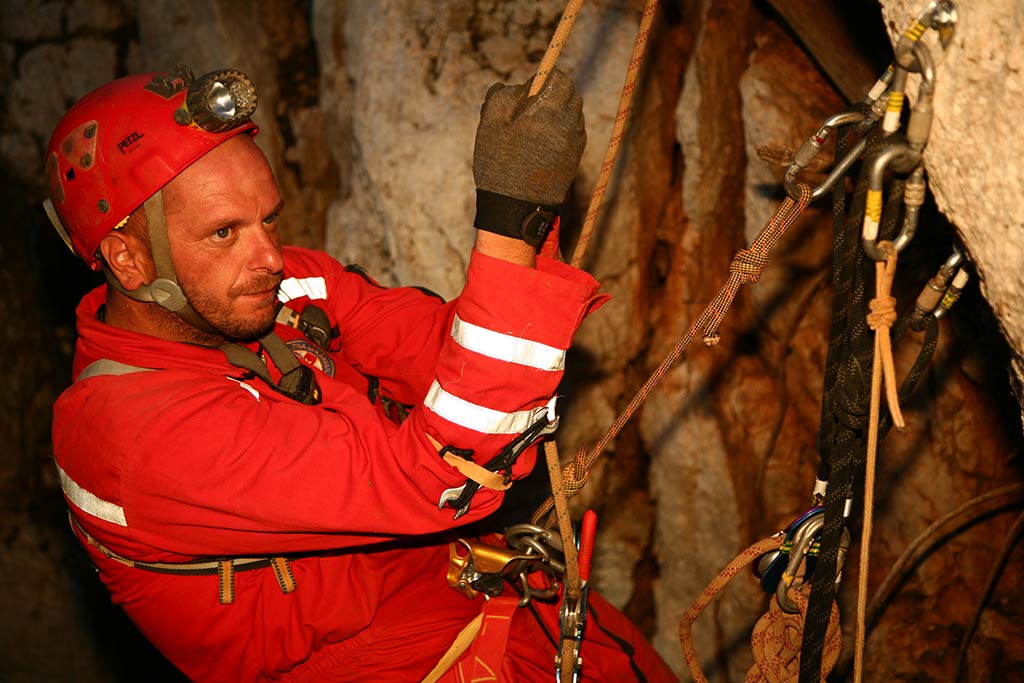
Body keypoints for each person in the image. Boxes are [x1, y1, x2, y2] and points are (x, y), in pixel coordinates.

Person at [47, 64, 677, 682]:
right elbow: (441, 475)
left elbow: (446, 354)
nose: (268, 256)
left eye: (268, 217)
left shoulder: (272, 288)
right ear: (128, 259)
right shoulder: (132, 437)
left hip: (486, 598)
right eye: (223, 233)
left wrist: (521, 243)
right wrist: (509, 221)